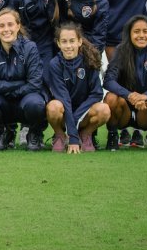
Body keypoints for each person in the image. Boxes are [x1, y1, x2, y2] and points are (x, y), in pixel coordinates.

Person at [0, 8, 44, 150]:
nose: (6, 29)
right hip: (1, 100)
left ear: (18, 26)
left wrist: (12, 91)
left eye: (10, 24)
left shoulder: (30, 48)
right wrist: (19, 84)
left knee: (36, 103)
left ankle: (34, 134)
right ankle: (1, 133)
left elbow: (34, 83)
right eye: (1, 26)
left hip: (25, 99)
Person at [101, 16, 147, 150]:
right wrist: (129, 95)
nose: (141, 35)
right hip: (124, 111)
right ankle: (113, 136)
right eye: (137, 31)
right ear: (129, 34)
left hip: (145, 109)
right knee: (110, 98)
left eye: (145, 31)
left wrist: (144, 96)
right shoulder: (120, 50)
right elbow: (108, 81)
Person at [43, 23, 109, 153]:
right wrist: (72, 136)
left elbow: (97, 94)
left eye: (72, 41)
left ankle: (85, 135)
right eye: (64, 41)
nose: (68, 46)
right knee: (53, 107)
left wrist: (75, 119)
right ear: (58, 44)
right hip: (63, 114)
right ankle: (60, 135)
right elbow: (64, 99)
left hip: (83, 115)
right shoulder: (54, 64)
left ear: (79, 42)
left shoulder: (89, 60)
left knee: (104, 110)